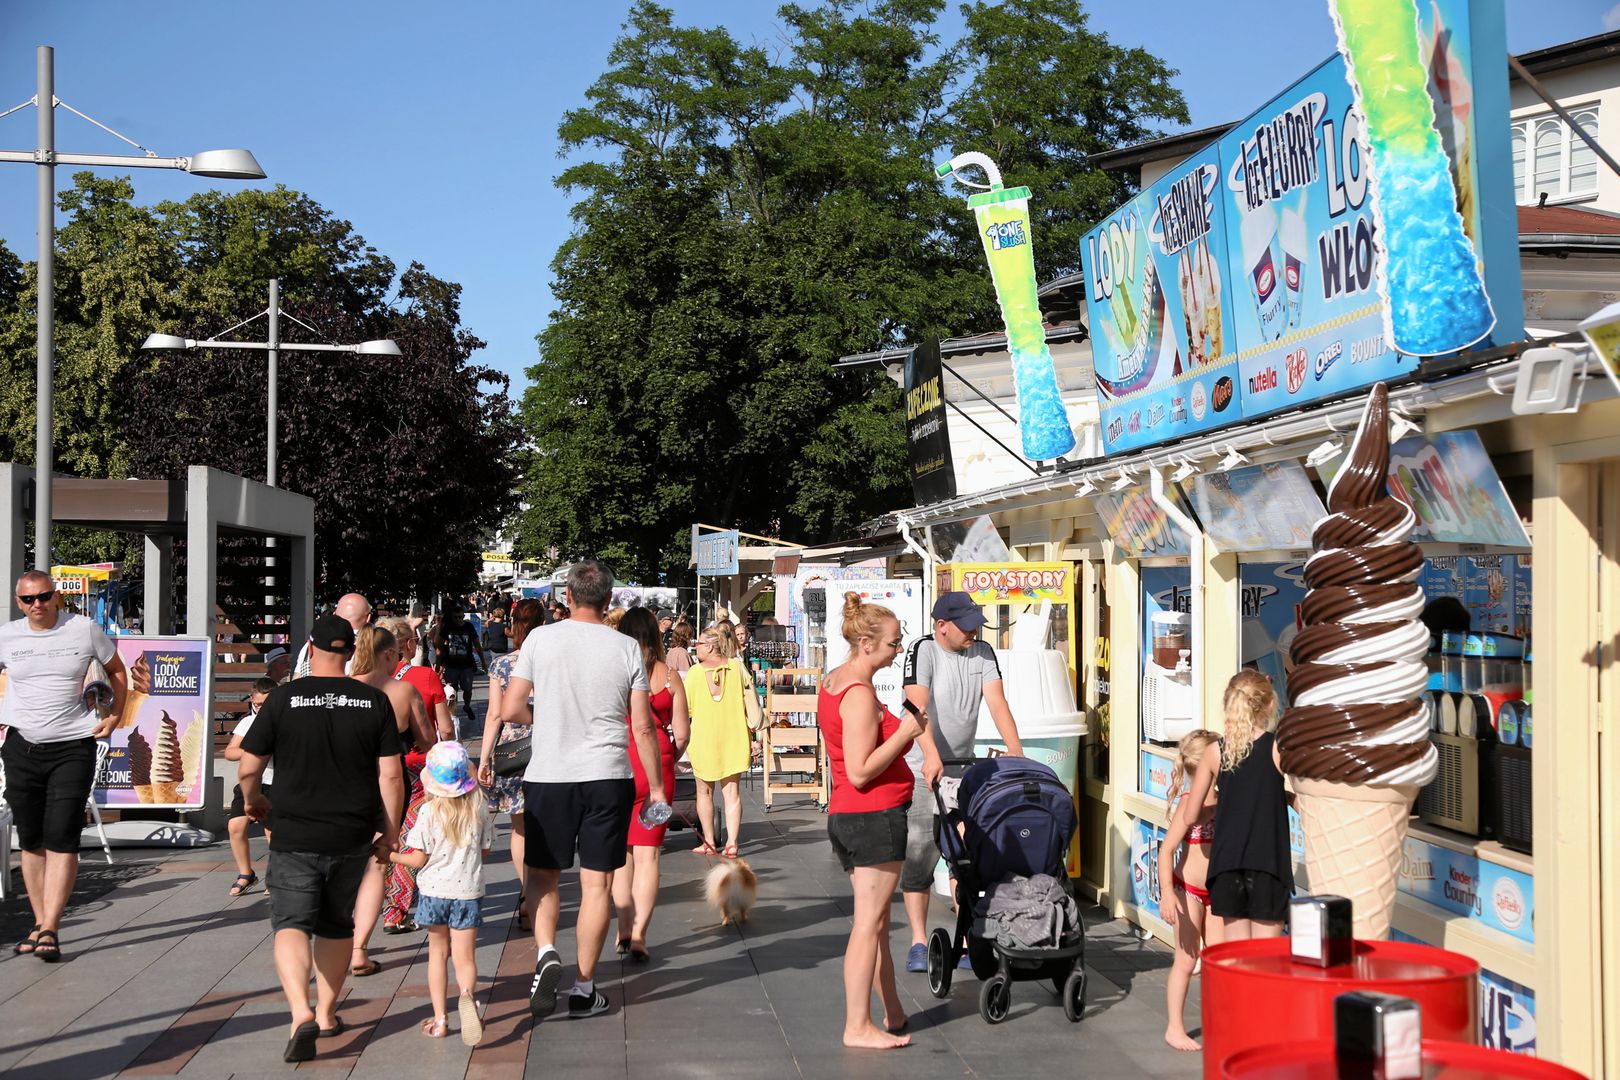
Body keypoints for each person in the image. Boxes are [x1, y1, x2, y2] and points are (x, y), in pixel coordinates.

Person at [500, 560, 666, 1020]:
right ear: (609, 600)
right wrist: (655, 788)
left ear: (567, 597)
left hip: (550, 774)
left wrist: (548, 719)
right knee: (598, 884)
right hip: (608, 774)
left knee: (543, 876)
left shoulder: (540, 639)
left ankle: (547, 950)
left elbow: (513, 707)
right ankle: (584, 985)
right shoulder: (626, 649)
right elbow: (644, 727)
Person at [237, 614, 403, 1063]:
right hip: (351, 830)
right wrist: (390, 833)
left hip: (294, 828)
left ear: (309, 649)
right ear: (351, 652)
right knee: (335, 924)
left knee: (290, 923)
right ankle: (328, 1013)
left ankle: (300, 1012)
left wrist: (253, 800)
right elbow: (391, 774)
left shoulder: (284, 699)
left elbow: (249, 764)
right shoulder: (374, 702)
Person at [0, 570, 127, 962]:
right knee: (32, 839)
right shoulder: (7, 635)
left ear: (56, 596)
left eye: (43, 597)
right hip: (21, 744)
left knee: (62, 835)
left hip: (74, 744)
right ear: (19, 602)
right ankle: (39, 925)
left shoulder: (84, 629)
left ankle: (51, 927)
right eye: (28, 600)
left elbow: (118, 672)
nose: (36, 605)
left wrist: (115, 716)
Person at [898, 591, 1025, 973]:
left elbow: (997, 702)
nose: (974, 631)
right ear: (942, 626)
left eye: (976, 624)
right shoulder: (924, 651)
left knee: (964, 858)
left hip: (963, 770)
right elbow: (914, 707)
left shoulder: (983, 652)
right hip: (925, 768)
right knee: (920, 853)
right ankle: (919, 940)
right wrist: (932, 754)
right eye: (967, 625)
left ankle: (967, 938)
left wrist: (1016, 753)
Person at [820, 592, 924, 1050]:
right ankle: (857, 1025)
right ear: (866, 643)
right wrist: (905, 731)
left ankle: (892, 1011)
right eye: (892, 643)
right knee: (867, 925)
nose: (898, 650)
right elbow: (862, 770)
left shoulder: (833, 682)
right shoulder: (859, 695)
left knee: (876, 923)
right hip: (872, 815)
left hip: (849, 815)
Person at [390, 741, 495, 1045]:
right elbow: (485, 851)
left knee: (438, 954)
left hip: (435, 892)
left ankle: (440, 1020)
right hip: (468, 891)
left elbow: (418, 859)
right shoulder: (479, 809)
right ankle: (466, 996)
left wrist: (393, 857)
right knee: (465, 957)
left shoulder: (428, 812)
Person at [1176, 670, 1292, 944]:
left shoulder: (1215, 752)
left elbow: (1192, 816)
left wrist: (1215, 810)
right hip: (1268, 865)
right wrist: (1286, 798)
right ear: (1269, 705)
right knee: (1265, 960)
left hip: (1227, 865)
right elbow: (1306, 799)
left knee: (1237, 958)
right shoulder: (1277, 748)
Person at [349, 625, 437, 975]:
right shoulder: (403, 690)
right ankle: (358, 950)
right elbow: (428, 740)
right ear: (389, 654)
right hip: (388, 784)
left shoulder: (345, 688)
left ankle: (331, 939)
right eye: (398, 655)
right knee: (377, 863)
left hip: (345, 780)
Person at [611, 608, 690, 962]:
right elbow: (683, 732)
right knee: (648, 855)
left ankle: (623, 927)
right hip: (658, 765)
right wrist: (670, 753)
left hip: (617, 762)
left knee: (621, 854)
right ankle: (641, 933)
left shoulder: (615, 671)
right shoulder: (670, 675)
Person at [377, 616, 453, 935]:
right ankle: (396, 908)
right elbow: (444, 729)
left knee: (383, 830)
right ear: (407, 646)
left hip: (377, 766)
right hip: (417, 768)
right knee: (412, 834)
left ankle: (375, 897)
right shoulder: (423, 676)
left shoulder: (366, 678)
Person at [476, 598, 544, 929]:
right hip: (549, 746)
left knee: (519, 828)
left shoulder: (502, 665)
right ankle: (540, 891)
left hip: (513, 752)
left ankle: (527, 891)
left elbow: (494, 715)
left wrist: (486, 756)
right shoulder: (551, 661)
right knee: (543, 824)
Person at [1156, 728, 1222, 1051]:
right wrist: (1167, 893)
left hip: (1215, 891)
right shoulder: (1188, 804)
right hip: (1188, 890)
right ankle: (1175, 1027)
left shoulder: (1222, 797)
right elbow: (1166, 851)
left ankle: (1221, 1021)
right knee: (1185, 960)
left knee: (1220, 962)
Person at [683, 625, 750, 858]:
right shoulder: (737, 667)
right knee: (732, 793)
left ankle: (709, 841)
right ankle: (732, 843)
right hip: (734, 735)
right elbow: (749, 699)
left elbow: (687, 709)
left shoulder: (694, 673)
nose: (695, 647)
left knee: (704, 792)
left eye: (699, 644)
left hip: (703, 737)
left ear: (710, 646)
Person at [224, 677, 279, 898]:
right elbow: (230, 752)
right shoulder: (247, 723)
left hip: (275, 782)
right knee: (235, 828)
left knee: (272, 832)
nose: (260, 709)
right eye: (256, 705)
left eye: (265, 705)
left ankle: (274, 876)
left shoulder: (283, 721)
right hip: (250, 781)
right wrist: (252, 751)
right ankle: (246, 873)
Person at [433, 608, 484, 740]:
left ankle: (467, 705)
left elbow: (477, 644)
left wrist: (483, 661)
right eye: (455, 617)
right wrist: (438, 665)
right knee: (451, 691)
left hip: (466, 664)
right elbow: (438, 646)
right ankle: (451, 714)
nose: (458, 620)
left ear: (463, 617)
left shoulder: (469, 626)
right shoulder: (447, 627)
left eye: (460, 617)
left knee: (467, 689)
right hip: (451, 664)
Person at [293, 593, 371, 677]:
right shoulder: (374, 646)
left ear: (334, 614)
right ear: (368, 618)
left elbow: (297, 678)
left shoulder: (312, 643)